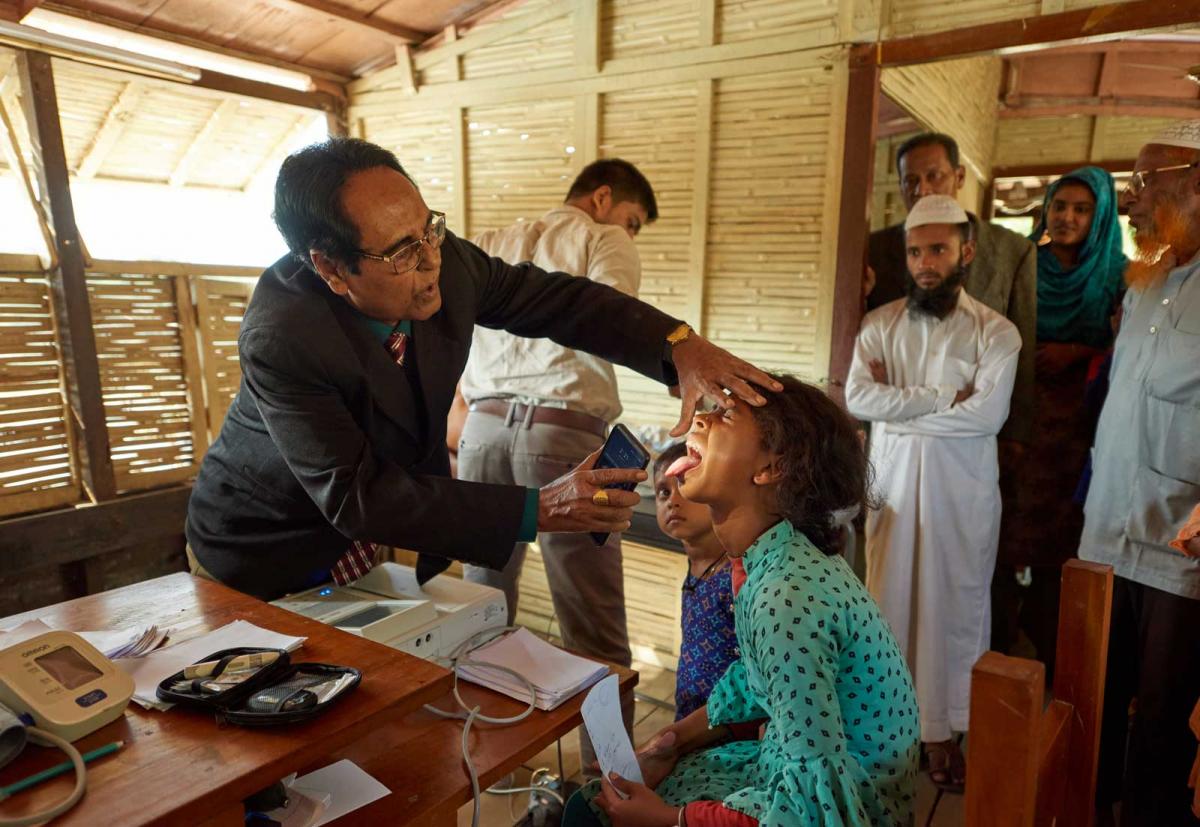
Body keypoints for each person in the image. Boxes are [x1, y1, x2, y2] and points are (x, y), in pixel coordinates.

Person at [184, 138, 782, 600]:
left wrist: (677, 345)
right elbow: (356, 494)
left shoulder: (443, 260)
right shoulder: (283, 336)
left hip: (358, 545)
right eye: (401, 252)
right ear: (332, 269)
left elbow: (557, 302)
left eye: (429, 229)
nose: (430, 262)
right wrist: (537, 508)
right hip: (263, 547)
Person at [564, 375, 920, 827]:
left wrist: (669, 818)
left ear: (770, 468)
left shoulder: (784, 595)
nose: (699, 419)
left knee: (590, 814)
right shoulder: (764, 560)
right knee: (592, 804)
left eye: (725, 415)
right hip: (798, 773)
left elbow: (812, 808)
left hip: (847, 805)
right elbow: (757, 681)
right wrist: (672, 742)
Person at [846, 195, 1022, 792]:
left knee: (952, 610)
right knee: (888, 604)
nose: (925, 263)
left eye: (938, 250)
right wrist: (945, 397)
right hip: (893, 489)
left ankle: (942, 734)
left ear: (965, 252)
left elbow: (989, 416)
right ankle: (888, 729)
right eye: (916, 251)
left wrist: (897, 411)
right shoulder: (879, 324)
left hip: (959, 498)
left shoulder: (997, 332)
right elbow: (858, 398)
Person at [457, 158, 658, 675]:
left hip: (482, 433)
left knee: (480, 611)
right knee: (592, 620)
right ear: (602, 198)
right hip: (562, 438)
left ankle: (476, 725)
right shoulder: (604, 238)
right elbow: (616, 323)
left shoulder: (488, 241)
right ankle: (604, 734)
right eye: (632, 220)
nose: (631, 233)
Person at [1081, 121, 1200, 827]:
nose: (1129, 201)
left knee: (1160, 721)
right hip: (1106, 532)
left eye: (1144, 183)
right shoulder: (1145, 282)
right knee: (1091, 703)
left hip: (1178, 549)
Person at [992, 167, 1127, 672]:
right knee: (1002, 530)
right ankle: (998, 646)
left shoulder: (1120, 275)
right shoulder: (1024, 262)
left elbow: (1129, 347)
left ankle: (1050, 647)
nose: (1067, 217)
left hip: (1078, 428)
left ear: (1100, 216)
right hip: (1015, 417)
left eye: (1081, 209)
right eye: (1059, 206)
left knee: (1062, 541)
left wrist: (1079, 351)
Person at [867, 132, 1035, 450]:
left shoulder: (1012, 251)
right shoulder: (876, 249)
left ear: (959, 177)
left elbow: (1023, 351)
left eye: (934, 176)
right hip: (896, 433)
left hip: (973, 431)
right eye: (911, 181)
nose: (922, 190)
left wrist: (1016, 438)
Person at [652, 442, 737, 722]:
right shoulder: (697, 566)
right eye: (663, 492)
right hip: (690, 716)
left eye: (685, 485)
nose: (672, 501)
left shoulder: (736, 576)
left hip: (729, 725)